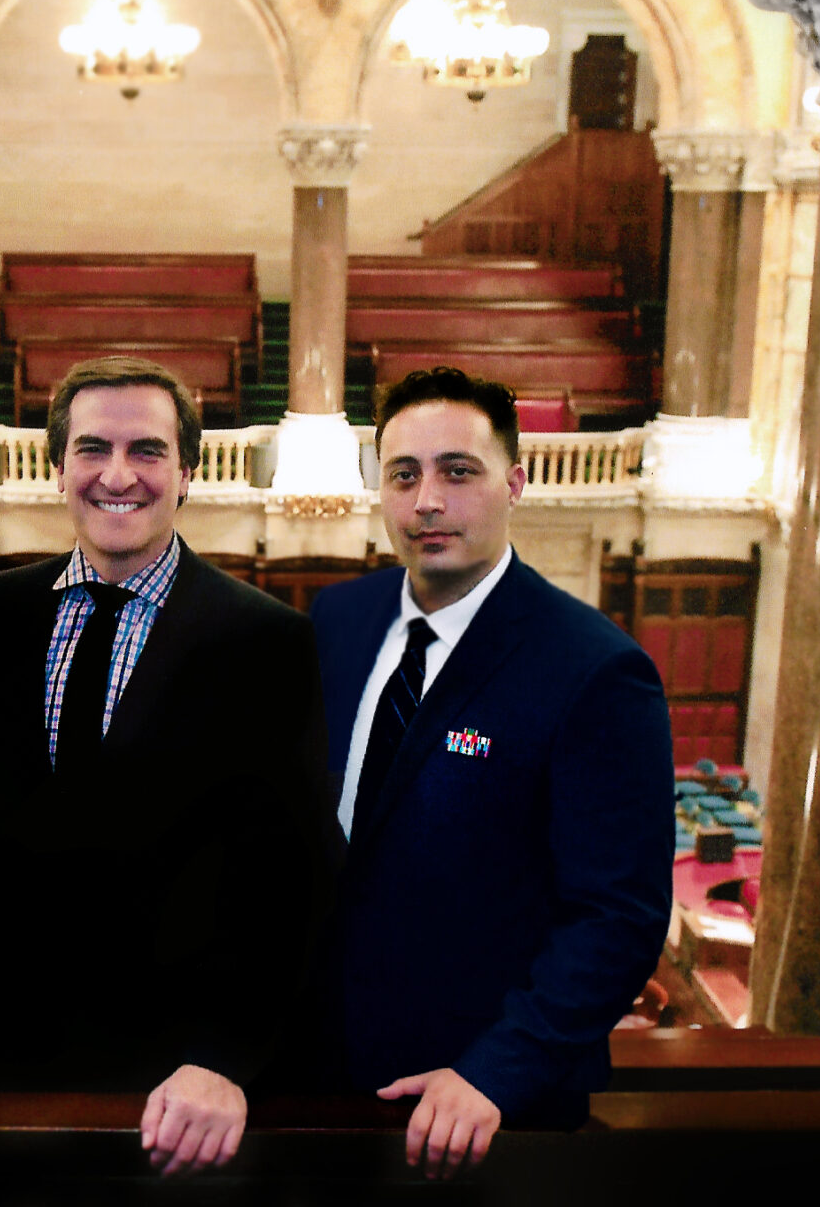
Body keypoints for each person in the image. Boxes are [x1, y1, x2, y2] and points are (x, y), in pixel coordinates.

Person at [0, 356, 331, 1177]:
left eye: (148, 450)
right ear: (59, 468)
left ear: (188, 474)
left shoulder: (267, 639)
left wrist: (223, 1054)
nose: (118, 475)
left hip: (174, 1083)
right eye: (93, 448)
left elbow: (288, 875)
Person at [307, 367, 672, 1177]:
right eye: (403, 474)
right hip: (325, 1084)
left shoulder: (596, 669)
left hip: (484, 1110)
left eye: (456, 472)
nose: (426, 500)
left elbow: (618, 916)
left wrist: (496, 1071)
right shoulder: (338, 619)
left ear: (514, 483)